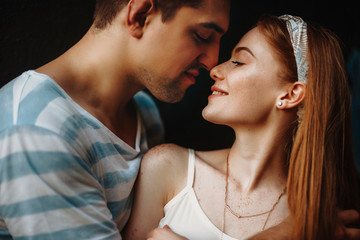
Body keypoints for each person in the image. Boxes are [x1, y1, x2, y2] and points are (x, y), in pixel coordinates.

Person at [0, 0, 230, 239]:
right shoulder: (37, 131)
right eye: (202, 35)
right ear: (140, 15)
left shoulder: (144, 113)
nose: (212, 61)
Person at [123, 15, 360, 240]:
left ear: (290, 94)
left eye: (238, 61)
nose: (215, 70)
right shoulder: (167, 167)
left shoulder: (323, 223)